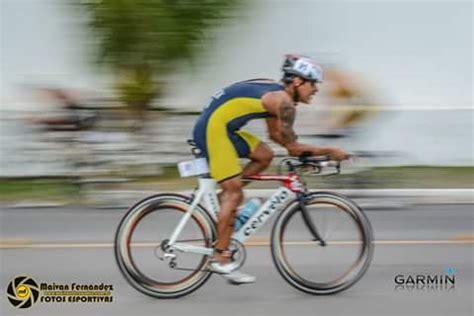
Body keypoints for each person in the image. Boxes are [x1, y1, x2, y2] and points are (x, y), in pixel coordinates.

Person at [192, 54, 349, 284]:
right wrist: (329, 151)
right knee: (235, 192)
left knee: (264, 155)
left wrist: (314, 155)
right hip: (213, 130)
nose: (315, 89)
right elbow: (293, 148)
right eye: (313, 83)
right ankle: (220, 258)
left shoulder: (279, 97)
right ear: (297, 82)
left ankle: (226, 201)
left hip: (223, 127)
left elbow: (278, 138)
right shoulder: (283, 103)